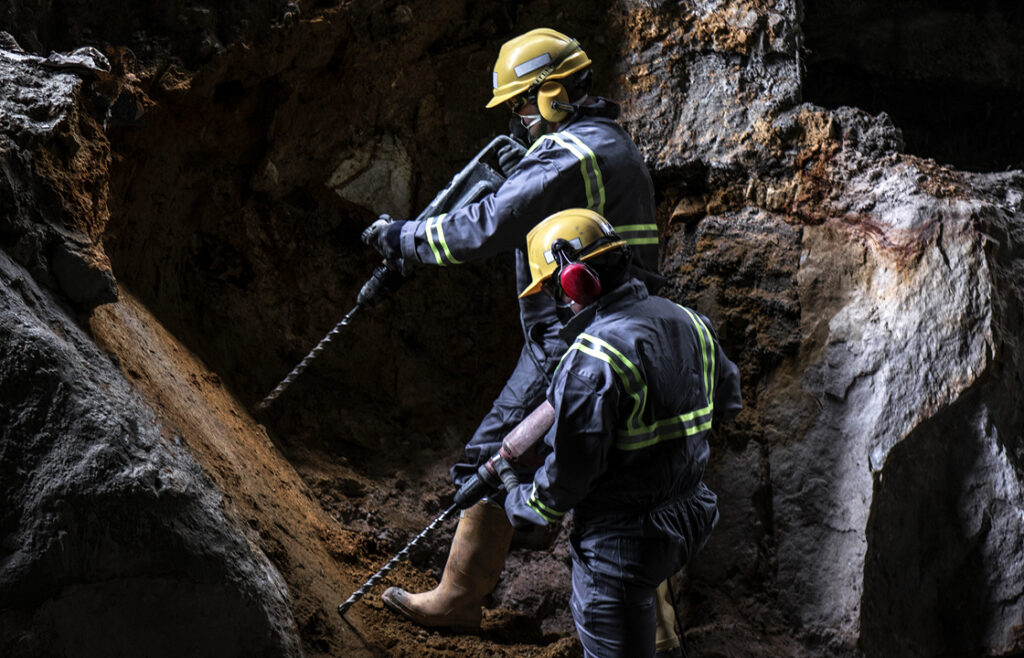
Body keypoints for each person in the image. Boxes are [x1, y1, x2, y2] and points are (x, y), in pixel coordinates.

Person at [362, 27, 689, 649]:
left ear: (552, 94)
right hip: (617, 330)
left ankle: (457, 599)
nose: (518, 116)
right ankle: (661, 635)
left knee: (487, 461)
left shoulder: (572, 154)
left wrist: (404, 239)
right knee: (629, 489)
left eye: (520, 102)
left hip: (575, 340)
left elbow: (486, 226)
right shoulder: (606, 145)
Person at [504, 208, 743, 657]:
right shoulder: (691, 321)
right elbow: (727, 403)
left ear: (575, 280)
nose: (560, 302)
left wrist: (522, 498)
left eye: (557, 290)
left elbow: (567, 480)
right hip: (689, 516)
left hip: (622, 548)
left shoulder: (591, 359)